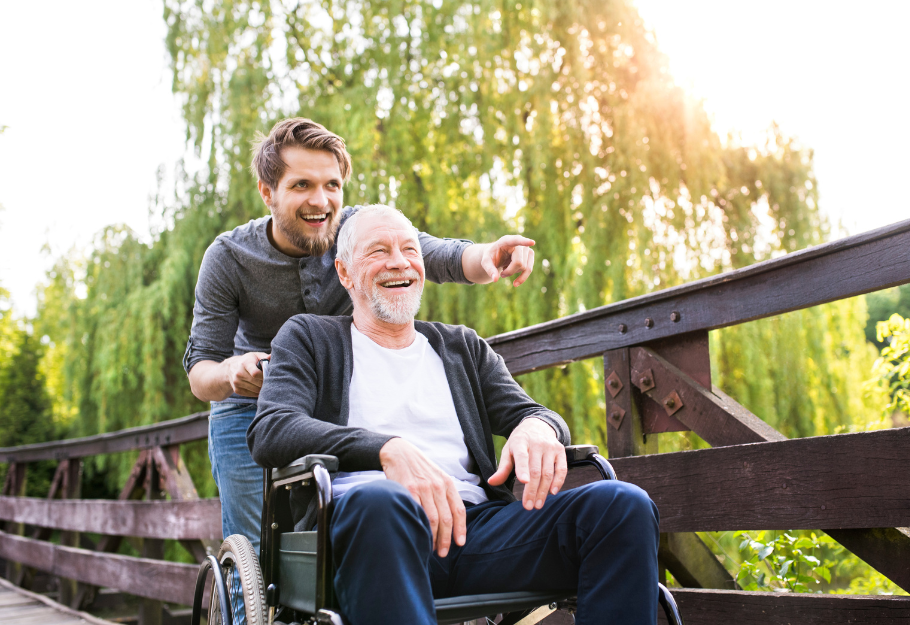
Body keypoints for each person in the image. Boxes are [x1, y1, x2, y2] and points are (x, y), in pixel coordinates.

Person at [248, 204, 661, 624]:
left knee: (622, 506)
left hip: (475, 530)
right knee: (381, 500)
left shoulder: (461, 347)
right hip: (370, 531)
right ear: (345, 273)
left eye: (410, 249)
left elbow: (531, 412)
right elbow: (272, 430)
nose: (399, 261)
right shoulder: (308, 338)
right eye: (378, 251)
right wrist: (386, 450)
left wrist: (539, 426)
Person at [184, 118, 537, 551]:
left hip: (332, 402)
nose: (321, 201)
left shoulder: (357, 233)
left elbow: (439, 254)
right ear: (267, 192)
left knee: (333, 537)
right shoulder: (228, 257)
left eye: (332, 185)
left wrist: (491, 256)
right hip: (249, 409)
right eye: (301, 186)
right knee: (256, 551)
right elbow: (200, 372)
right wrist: (232, 372)